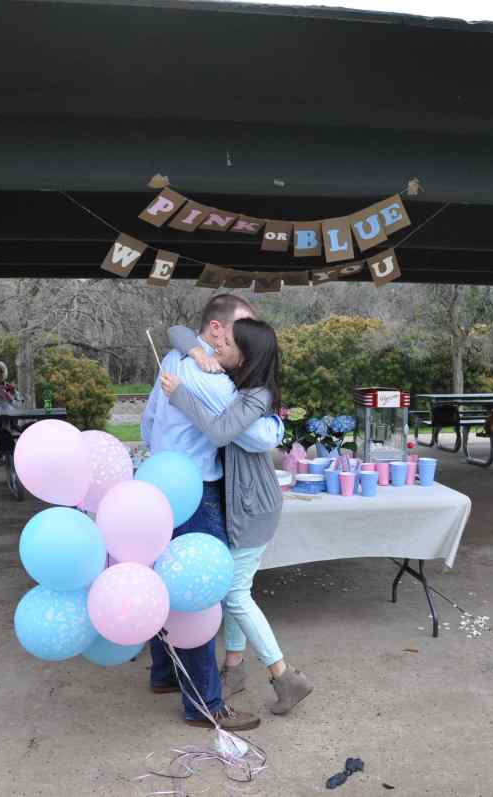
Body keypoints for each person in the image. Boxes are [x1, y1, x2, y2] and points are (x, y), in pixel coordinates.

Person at [163, 319, 314, 716]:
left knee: (234, 593)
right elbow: (177, 332)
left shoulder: (256, 397)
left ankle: (284, 675)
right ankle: (234, 669)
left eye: (227, 343)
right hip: (242, 503)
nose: (219, 346)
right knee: (234, 589)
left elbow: (219, 431)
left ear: (245, 356)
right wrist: (197, 352)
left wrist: (180, 395)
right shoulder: (235, 383)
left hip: (253, 507)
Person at [141, 294, 276, 732]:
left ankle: (164, 674)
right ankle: (205, 703)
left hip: (160, 482)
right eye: (242, 327)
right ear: (217, 329)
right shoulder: (211, 378)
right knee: (198, 590)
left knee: (166, 580)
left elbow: (147, 423)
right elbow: (258, 438)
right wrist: (275, 422)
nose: (247, 336)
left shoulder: (172, 359)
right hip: (197, 490)